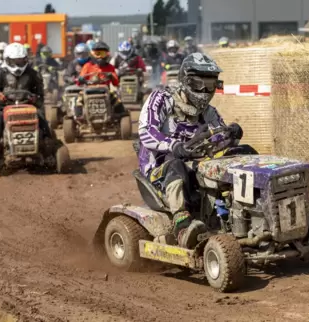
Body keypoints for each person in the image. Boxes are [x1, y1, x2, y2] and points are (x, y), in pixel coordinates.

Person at [137, 53, 243, 249]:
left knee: (243, 152)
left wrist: (231, 135)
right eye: (199, 83)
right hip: (159, 167)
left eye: (210, 84)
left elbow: (218, 138)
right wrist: (174, 145)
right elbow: (146, 131)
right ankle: (182, 225)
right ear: (185, 81)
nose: (204, 90)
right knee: (176, 165)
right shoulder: (162, 99)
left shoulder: (208, 112)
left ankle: (246, 212)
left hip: (197, 164)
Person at [0, 42, 52, 145]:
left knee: (40, 114)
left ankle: (47, 141)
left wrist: (35, 98)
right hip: (4, 107)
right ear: (7, 60)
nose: (17, 65)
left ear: (26, 59)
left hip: (28, 106)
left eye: (20, 61)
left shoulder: (34, 74)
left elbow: (40, 95)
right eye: (14, 61)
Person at [77, 41, 126, 118]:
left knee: (117, 99)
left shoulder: (110, 67)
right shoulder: (88, 66)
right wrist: (81, 79)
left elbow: (116, 83)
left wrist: (111, 76)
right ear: (92, 54)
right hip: (89, 91)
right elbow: (79, 81)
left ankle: (120, 116)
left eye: (102, 54)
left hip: (105, 91)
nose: (100, 57)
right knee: (79, 99)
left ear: (107, 55)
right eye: (97, 54)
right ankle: (79, 117)